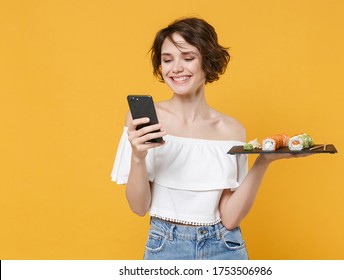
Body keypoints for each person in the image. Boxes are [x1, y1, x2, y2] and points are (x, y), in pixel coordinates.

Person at [111, 17, 308, 260]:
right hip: (167, 246)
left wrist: (263, 161)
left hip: (225, 247)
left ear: (208, 62)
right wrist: (138, 158)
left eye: (188, 58)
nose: (176, 68)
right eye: (167, 59)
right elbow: (138, 207)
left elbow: (230, 217)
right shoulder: (143, 121)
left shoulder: (231, 130)